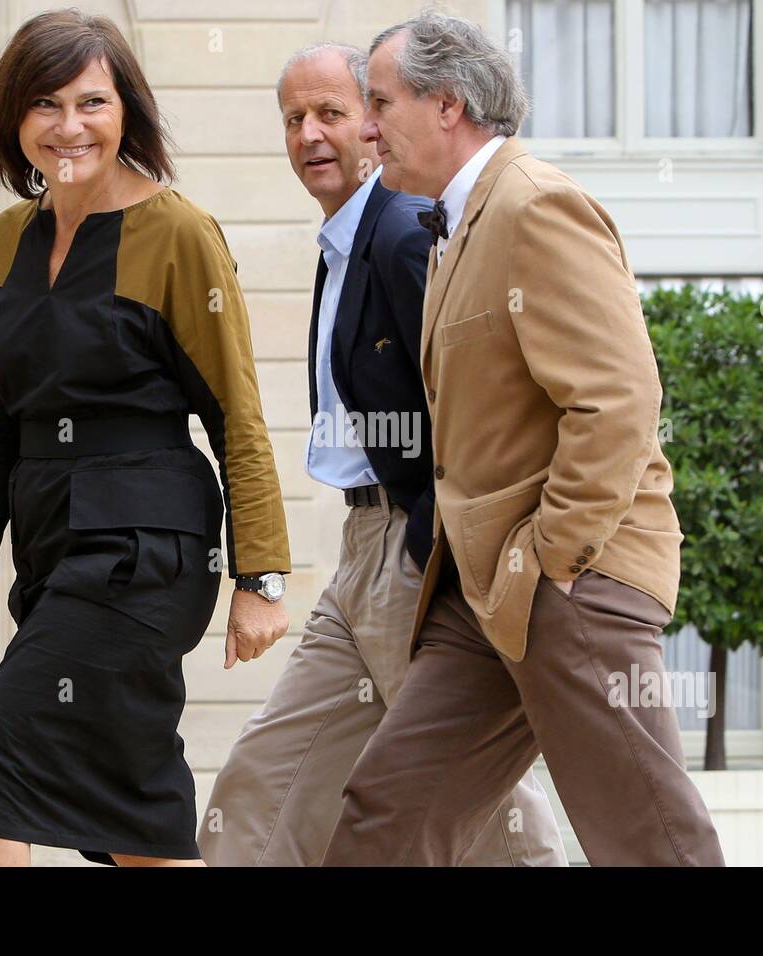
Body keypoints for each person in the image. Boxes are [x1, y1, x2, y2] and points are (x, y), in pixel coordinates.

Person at [321, 11, 727, 866]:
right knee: (384, 817)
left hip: (571, 581)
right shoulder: (453, 223)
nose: (364, 128)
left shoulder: (535, 205)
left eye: (379, 102)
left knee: (647, 837)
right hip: (486, 591)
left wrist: (552, 558)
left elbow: (617, 400)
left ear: (448, 103)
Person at [0, 9, 290, 867]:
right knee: (135, 818)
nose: (70, 126)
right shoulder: (9, 238)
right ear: (15, 118)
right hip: (54, 549)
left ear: (128, 111)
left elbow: (237, 412)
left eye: (93, 101)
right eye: (46, 104)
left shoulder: (179, 233)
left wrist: (260, 575)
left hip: (144, 551)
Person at [196, 44, 566, 866]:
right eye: (293, 118)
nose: (309, 135)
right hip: (361, 551)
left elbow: (466, 410)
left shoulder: (401, 233)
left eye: (330, 112)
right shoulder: (345, 240)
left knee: (487, 806)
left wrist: (447, 557)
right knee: (266, 779)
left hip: (417, 551)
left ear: (374, 121)